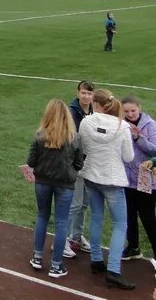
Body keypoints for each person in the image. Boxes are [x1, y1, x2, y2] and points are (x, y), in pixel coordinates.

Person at [78, 88, 135, 290]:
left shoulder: (87, 122)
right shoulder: (122, 126)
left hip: (91, 176)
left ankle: (96, 260)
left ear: (96, 104)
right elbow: (128, 157)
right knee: (120, 224)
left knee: (96, 217)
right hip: (112, 179)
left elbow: (82, 148)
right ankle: (113, 270)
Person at [27, 99, 83, 278]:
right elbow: (79, 163)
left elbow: (31, 161)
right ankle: (56, 265)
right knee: (61, 222)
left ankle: (37, 257)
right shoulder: (74, 138)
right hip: (65, 185)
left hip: (42, 182)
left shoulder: (40, 135)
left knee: (42, 216)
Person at [121, 96, 156, 261]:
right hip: (126, 179)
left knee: (148, 218)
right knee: (129, 215)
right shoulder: (121, 124)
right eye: (126, 111)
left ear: (139, 108)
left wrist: (137, 138)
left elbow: (154, 150)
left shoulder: (151, 125)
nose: (130, 114)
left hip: (146, 179)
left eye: (133, 110)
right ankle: (133, 247)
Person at [66, 80, 94, 255]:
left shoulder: (94, 110)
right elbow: (71, 136)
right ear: (78, 93)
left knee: (84, 203)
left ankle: (77, 235)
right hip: (75, 162)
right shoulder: (71, 111)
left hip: (89, 162)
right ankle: (62, 241)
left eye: (89, 93)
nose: (86, 96)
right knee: (75, 204)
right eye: (83, 93)